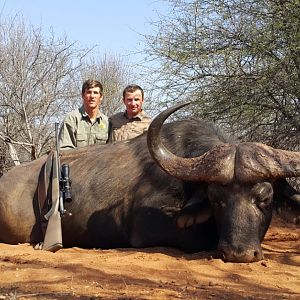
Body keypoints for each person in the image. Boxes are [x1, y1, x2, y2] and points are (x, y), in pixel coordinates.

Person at [59, 79, 109, 149]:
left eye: (95, 93)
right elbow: (64, 150)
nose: (92, 96)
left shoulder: (107, 122)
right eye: (89, 92)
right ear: (82, 95)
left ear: (101, 97)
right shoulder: (71, 119)